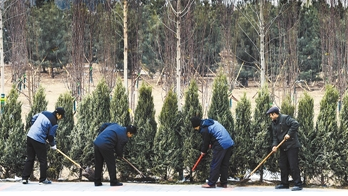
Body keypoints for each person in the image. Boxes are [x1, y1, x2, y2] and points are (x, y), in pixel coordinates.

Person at [22, 107, 65, 185]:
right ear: (57, 114)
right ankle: (42, 180)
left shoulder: (44, 113)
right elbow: (51, 136)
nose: (61, 118)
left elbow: (33, 118)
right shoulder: (54, 123)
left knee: (30, 158)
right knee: (43, 160)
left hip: (30, 136)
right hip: (38, 140)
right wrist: (53, 145)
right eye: (61, 116)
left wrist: (36, 129)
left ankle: (25, 178)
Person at [190, 117, 234, 188]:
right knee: (224, 164)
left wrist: (203, 151)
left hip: (221, 144)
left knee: (215, 164)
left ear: (197, 126)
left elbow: (206, 142)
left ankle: (211, 183)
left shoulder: (204, 129)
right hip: (229, 143)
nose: (196, 130)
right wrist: (212, 143)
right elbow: (213, 135)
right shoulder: (209, 122)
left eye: (196, 129)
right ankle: (224, 183)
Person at [266, 106, 303, 191]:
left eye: (271, 115)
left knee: (293, 165)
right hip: (283, 147)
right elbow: (275, 136)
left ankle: (298, 184)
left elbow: (295, 124)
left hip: (292, 146)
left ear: (275, 114)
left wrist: (289, 134)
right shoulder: (274, 123)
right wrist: (274, 146)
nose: (270, 117)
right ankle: (284, 183)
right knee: (283, 165)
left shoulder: (285, 118)